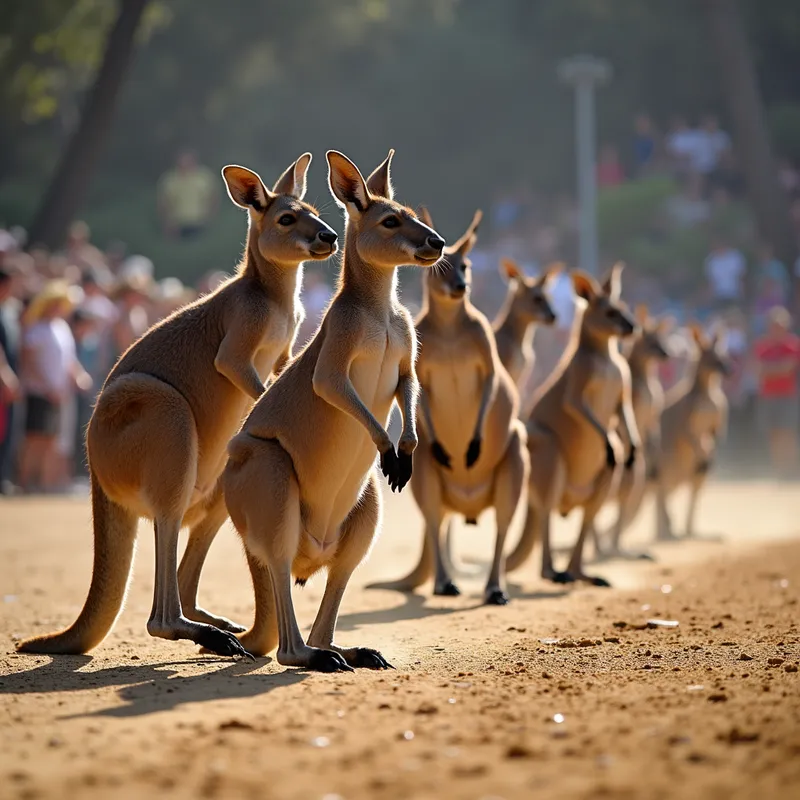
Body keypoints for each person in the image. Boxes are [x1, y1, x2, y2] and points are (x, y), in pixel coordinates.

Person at [18, 281, 92, 493]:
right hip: (39, 393)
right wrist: (46, 386)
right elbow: (29, 362)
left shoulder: (61, 327)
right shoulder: (35, 328)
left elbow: (69, 360)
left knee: (51, 440)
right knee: (34, 438)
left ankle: (41, 483)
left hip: (59, 393)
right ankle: (24, 483)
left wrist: (78, 376)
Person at [752, 307, 800, 478]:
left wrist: (769, 369)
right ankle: (779, 471)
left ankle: (791, 471)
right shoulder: (762, 345)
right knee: (773, 434)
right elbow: (757, 369)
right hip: (768, 396)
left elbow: (788, 368)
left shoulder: (793, 344)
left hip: (787, 396)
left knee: (787, 433)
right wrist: (776, 369)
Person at [157, 150, 217, 239]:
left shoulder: (204, 177)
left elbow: (213, 198)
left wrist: (211, 217)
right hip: (177, 223)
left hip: (200, 222)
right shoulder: (170, 179)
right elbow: (164, 203)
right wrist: (167, 223)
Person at [0, 266, 22, 493]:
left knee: (7, 430)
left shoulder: (7, 311)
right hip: (3, 381)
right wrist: (5, 376)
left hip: (7, 380)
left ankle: (3, 476)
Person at [704, 237, 746, 311]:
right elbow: (711, 281)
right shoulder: (711, 261)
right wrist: (710, 298)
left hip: (734, 293)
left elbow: (741, 277)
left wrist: (742, 295)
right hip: (718, 295)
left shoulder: (735, 257)